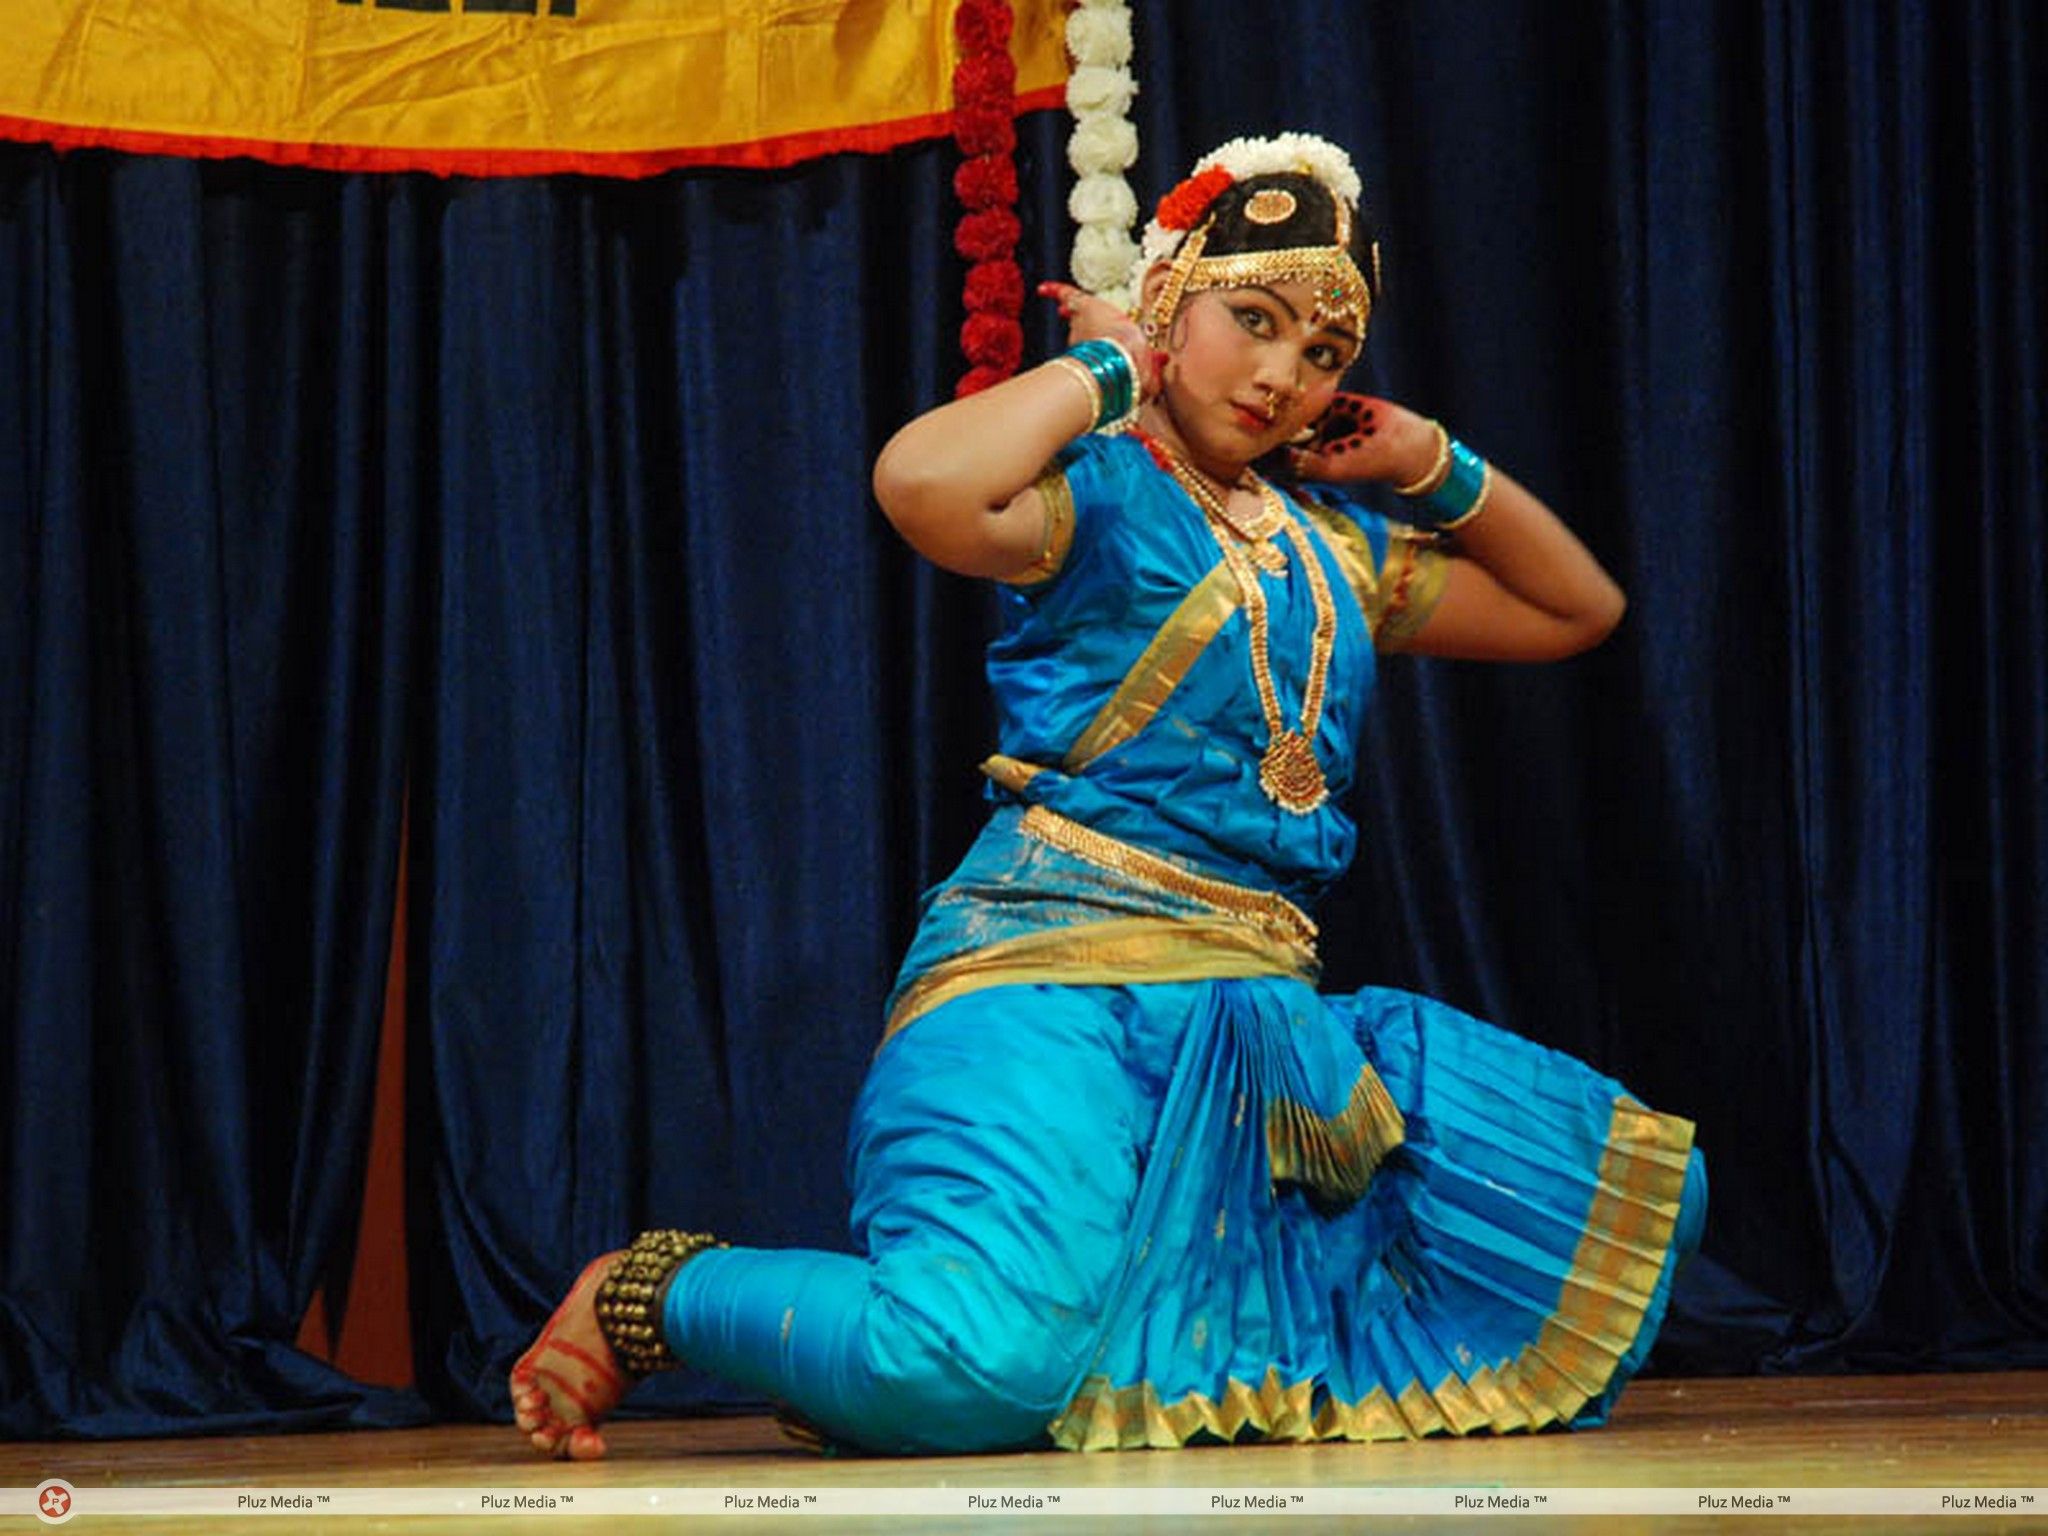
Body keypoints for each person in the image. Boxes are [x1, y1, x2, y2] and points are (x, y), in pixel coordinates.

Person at [510, 132, 1706, 1460]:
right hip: (1045, 986)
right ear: (1168, 298)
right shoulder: (1093, 498)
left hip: (1254, 1037)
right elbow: (921, 484)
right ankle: (656, 1293)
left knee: (1624, 1199)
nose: (1280, 376)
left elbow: (1573, 609)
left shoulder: (1337, 549)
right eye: (1250, 321)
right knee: (965, 1371)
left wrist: (1429, 461)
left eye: (1323, 357)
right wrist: (1105, 371)